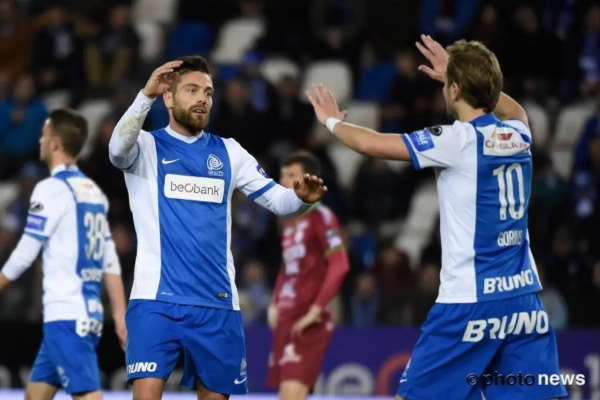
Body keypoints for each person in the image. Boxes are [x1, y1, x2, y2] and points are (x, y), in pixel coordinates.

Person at [306, 35, 567, 400]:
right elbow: (516, 111)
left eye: (448, 85)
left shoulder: (456, 140)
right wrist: (466, 78)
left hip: (468, 303)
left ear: (455, 90)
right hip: (522, 301)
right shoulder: (518, 134)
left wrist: (331, 121)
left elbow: (371, 144)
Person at [107, 56, 327, 400]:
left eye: (208, 93)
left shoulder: (229, 152)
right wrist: (145, 95)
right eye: (192, 90)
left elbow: (279, 201)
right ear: (169, 97)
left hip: (217, 304)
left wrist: (301, 199)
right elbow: (116, 150)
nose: (202, 99)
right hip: (155, 301)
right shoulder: (146, 147)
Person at [0, 108, 127, 400]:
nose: (40, 140)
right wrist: (119, 316)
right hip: (84, 314)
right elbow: (109, 261)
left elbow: (25, 252)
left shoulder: (51, 189)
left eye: (44, 134)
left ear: (56, 143)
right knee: (35, 395)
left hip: (67, 317)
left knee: (88, 395)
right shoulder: (92, 191)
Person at [267, 151, 349, 400]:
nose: (283, 181)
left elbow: (340, 265)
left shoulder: (322, 217)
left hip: (308, 321)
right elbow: (287, 267)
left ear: (309, 179)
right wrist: (274, 302)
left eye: (291, 175)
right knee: (288, 393)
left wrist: (315, 310)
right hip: (287, 318)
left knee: (291, 394)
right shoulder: (288, 222)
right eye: (282, 175)